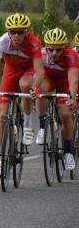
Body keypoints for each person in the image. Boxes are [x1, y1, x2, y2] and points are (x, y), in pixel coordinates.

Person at [0, 13, 45, 177]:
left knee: (25, 85)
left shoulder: (34, 42)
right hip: (10, 72)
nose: (16, 35)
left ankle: (27, 124)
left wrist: (36, 86)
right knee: (2, 116)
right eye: (13, 32)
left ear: (26, 32)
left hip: (28, 71)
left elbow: (40, 71)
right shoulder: (3, 41)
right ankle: (0, 159)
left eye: (20, 32)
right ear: (8, 32)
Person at [34, 28, 78, 170]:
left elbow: (73, 80)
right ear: (46, 47)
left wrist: (72, 97)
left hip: (65, 82)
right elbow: (37, 75)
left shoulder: (71, 55)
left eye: (58, 50)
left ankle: (68, 152)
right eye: (51, 49)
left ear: (64, 48)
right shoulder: (40, 54)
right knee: (40, 91)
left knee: (65, 115)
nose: (54, 53)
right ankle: (42, 125)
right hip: (49, 78)